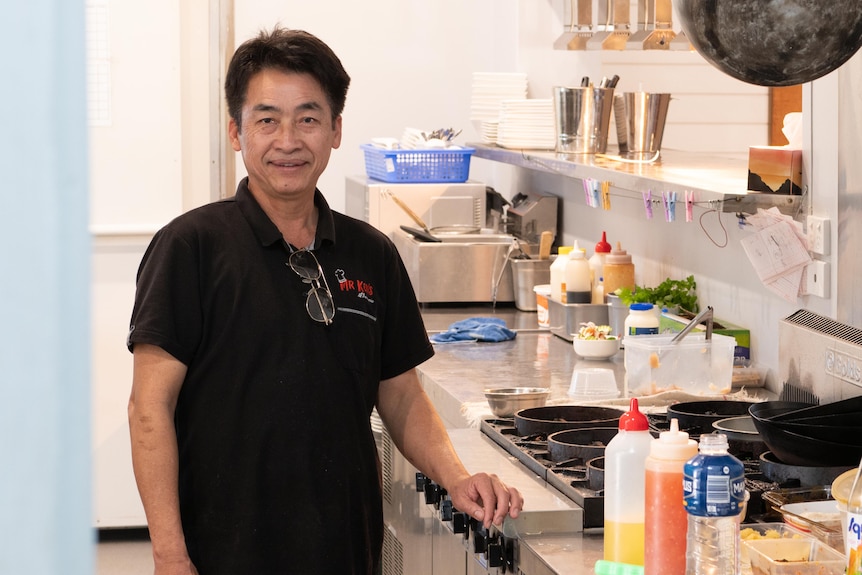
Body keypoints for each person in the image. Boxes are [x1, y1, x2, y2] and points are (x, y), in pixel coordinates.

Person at [127, 27, 523, 575]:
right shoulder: (190, 248)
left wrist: (456, 477)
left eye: (308, 118)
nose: (288, 140)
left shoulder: (371, 254)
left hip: (343, 546)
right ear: (236, 132)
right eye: (267, 119)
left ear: (336, 131)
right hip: (223, 549)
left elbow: (400, 394)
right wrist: (170, 555)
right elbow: (150, 410)